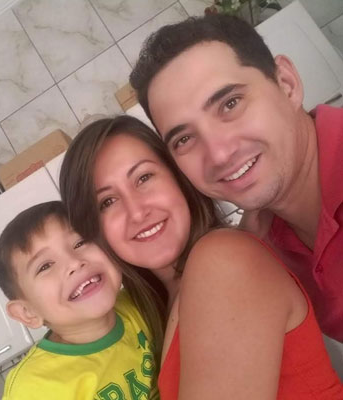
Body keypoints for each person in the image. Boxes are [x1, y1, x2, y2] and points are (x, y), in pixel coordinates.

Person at [59, 114, 343, 399]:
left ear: (179, 178)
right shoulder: (157, 311)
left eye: (144, 177)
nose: (136, 212)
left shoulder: (222, 260)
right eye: (107, 202)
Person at [128, 14, 343, 343]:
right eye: (184, 139)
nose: (218, 154)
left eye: (230, 104)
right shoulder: (264, 245)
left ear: (286, 84)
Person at [0, 201, 161, 400]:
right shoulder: (34, 388)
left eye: (80, 243)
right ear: (28, 313)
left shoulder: (143, 300)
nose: (74, 262)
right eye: (45, 266)